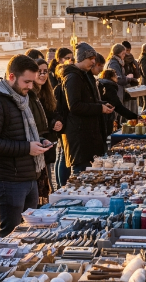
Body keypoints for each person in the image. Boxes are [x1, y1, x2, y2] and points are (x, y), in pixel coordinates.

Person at [0, 55, 53, 237]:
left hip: (30, 176)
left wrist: (40, 142)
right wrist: (27, 148)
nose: (30, 86)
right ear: (11, 77)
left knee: (30, 232)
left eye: (32, 81)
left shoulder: (23, 99)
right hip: (8, 179)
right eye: (26, 81)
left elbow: (23, 133)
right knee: (9, 234)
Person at [63, 43, 114, 175]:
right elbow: (74, 106)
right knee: (81, 175)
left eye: (94, 58)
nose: (93, 61)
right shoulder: (73, 78)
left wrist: (103, 104)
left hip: (89, 136)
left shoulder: (84, 75)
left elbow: (89, 101)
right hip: (80, 139)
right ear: (81, 58)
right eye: (90, 58)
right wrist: (99, 108)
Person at [33, 58, 63, 196]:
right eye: (39, 71)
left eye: (45, 71)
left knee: (47, 180)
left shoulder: (48, 92)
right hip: (36, 143)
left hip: (48, 142)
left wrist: (57, 122)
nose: (43, 75)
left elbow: (54, 113)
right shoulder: (28, 94)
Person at [98, 70, 139, 137]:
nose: (117, 77)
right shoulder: (109, 87)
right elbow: (117, 106)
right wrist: (135, 117)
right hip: (105, 117)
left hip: (101, 116)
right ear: (111, 77)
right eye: (115, 75)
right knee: (105, 137)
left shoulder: (101, 84)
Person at [121, 41, 142, 114]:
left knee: (133, 109)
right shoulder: (120, 62)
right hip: (125, 89)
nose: (127, 53)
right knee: (126, 109)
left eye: (129, 51)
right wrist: (127, 77)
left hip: (133, 88)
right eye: (126, 51)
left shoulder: (132, 60)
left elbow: (138, 74)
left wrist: (136, 68)